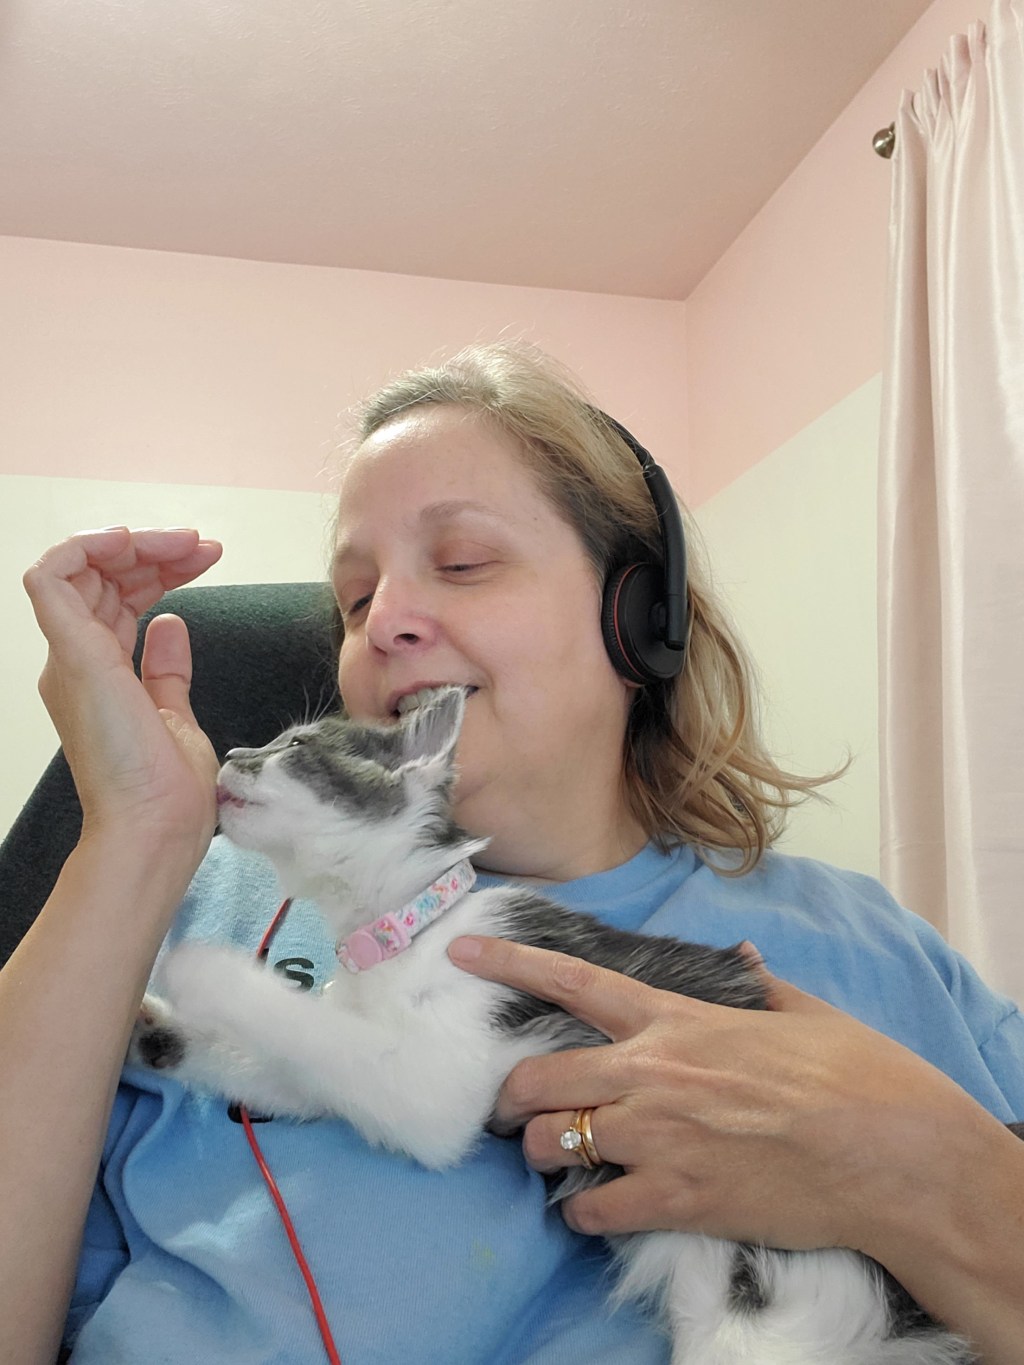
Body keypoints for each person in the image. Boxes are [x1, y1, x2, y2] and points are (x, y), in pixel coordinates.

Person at [2, 341, 1023, 1365]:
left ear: (638, 619)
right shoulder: (176, 904)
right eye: (353, 603)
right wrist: (133, 835)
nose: (385, 621)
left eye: (462, 563)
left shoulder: (868, 945)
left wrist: (924, 1173)